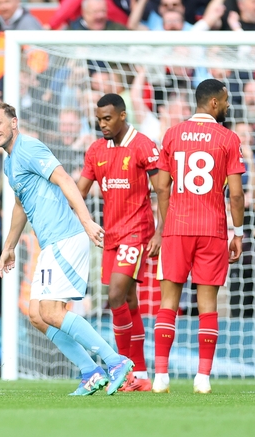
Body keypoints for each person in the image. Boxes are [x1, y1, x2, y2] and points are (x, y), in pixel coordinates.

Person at [0, 101, 134, 396]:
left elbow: (65, 179)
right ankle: (90, 371)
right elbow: (20, 203)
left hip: (65, 238)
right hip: (50, 243)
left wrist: (88, 221)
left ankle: (115, 361)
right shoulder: (10, 161)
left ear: (14, 123)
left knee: (52, 312)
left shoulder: (29, 148)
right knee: (37, 314)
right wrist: (9, 246)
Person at [152, 79, 245, 395]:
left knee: (168, 302)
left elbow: (162, 187)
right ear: (215, 103)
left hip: (177, 228)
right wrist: (238, 232)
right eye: (227, 100)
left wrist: (168, 224)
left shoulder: (172, 134)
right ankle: (202, 378)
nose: (229, 105)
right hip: (212, 229)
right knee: (208, 305)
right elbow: (236, 194)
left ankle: (161, 375)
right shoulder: (228, 138)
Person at [77, 93, 161, 391]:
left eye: (107, 118)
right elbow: (79, 192)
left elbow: (163, 189)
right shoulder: (96, 150)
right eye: (99, 119)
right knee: (127, 302)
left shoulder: (143, 145)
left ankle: (123, 368)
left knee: (114, 297)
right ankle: (140, 375)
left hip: (136, 233)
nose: (102, 124)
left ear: (123, 115)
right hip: (110, 236)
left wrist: (160, 233)